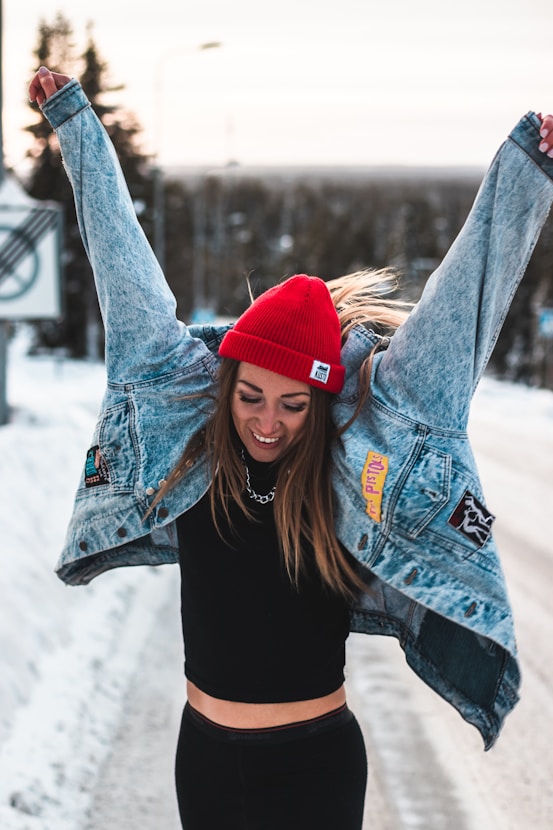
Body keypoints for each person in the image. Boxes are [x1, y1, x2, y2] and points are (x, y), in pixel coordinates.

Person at [29, 65, 553, 830]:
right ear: (224, 383)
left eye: (291, 406)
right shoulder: (189, 432)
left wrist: (525, 174)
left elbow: (455, 314)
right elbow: (124, 268)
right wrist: (76, 122)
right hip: (204, 755)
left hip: (315, 763)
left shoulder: (348, 458)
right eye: (249, 398)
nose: (267, 423)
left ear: (320, 401)